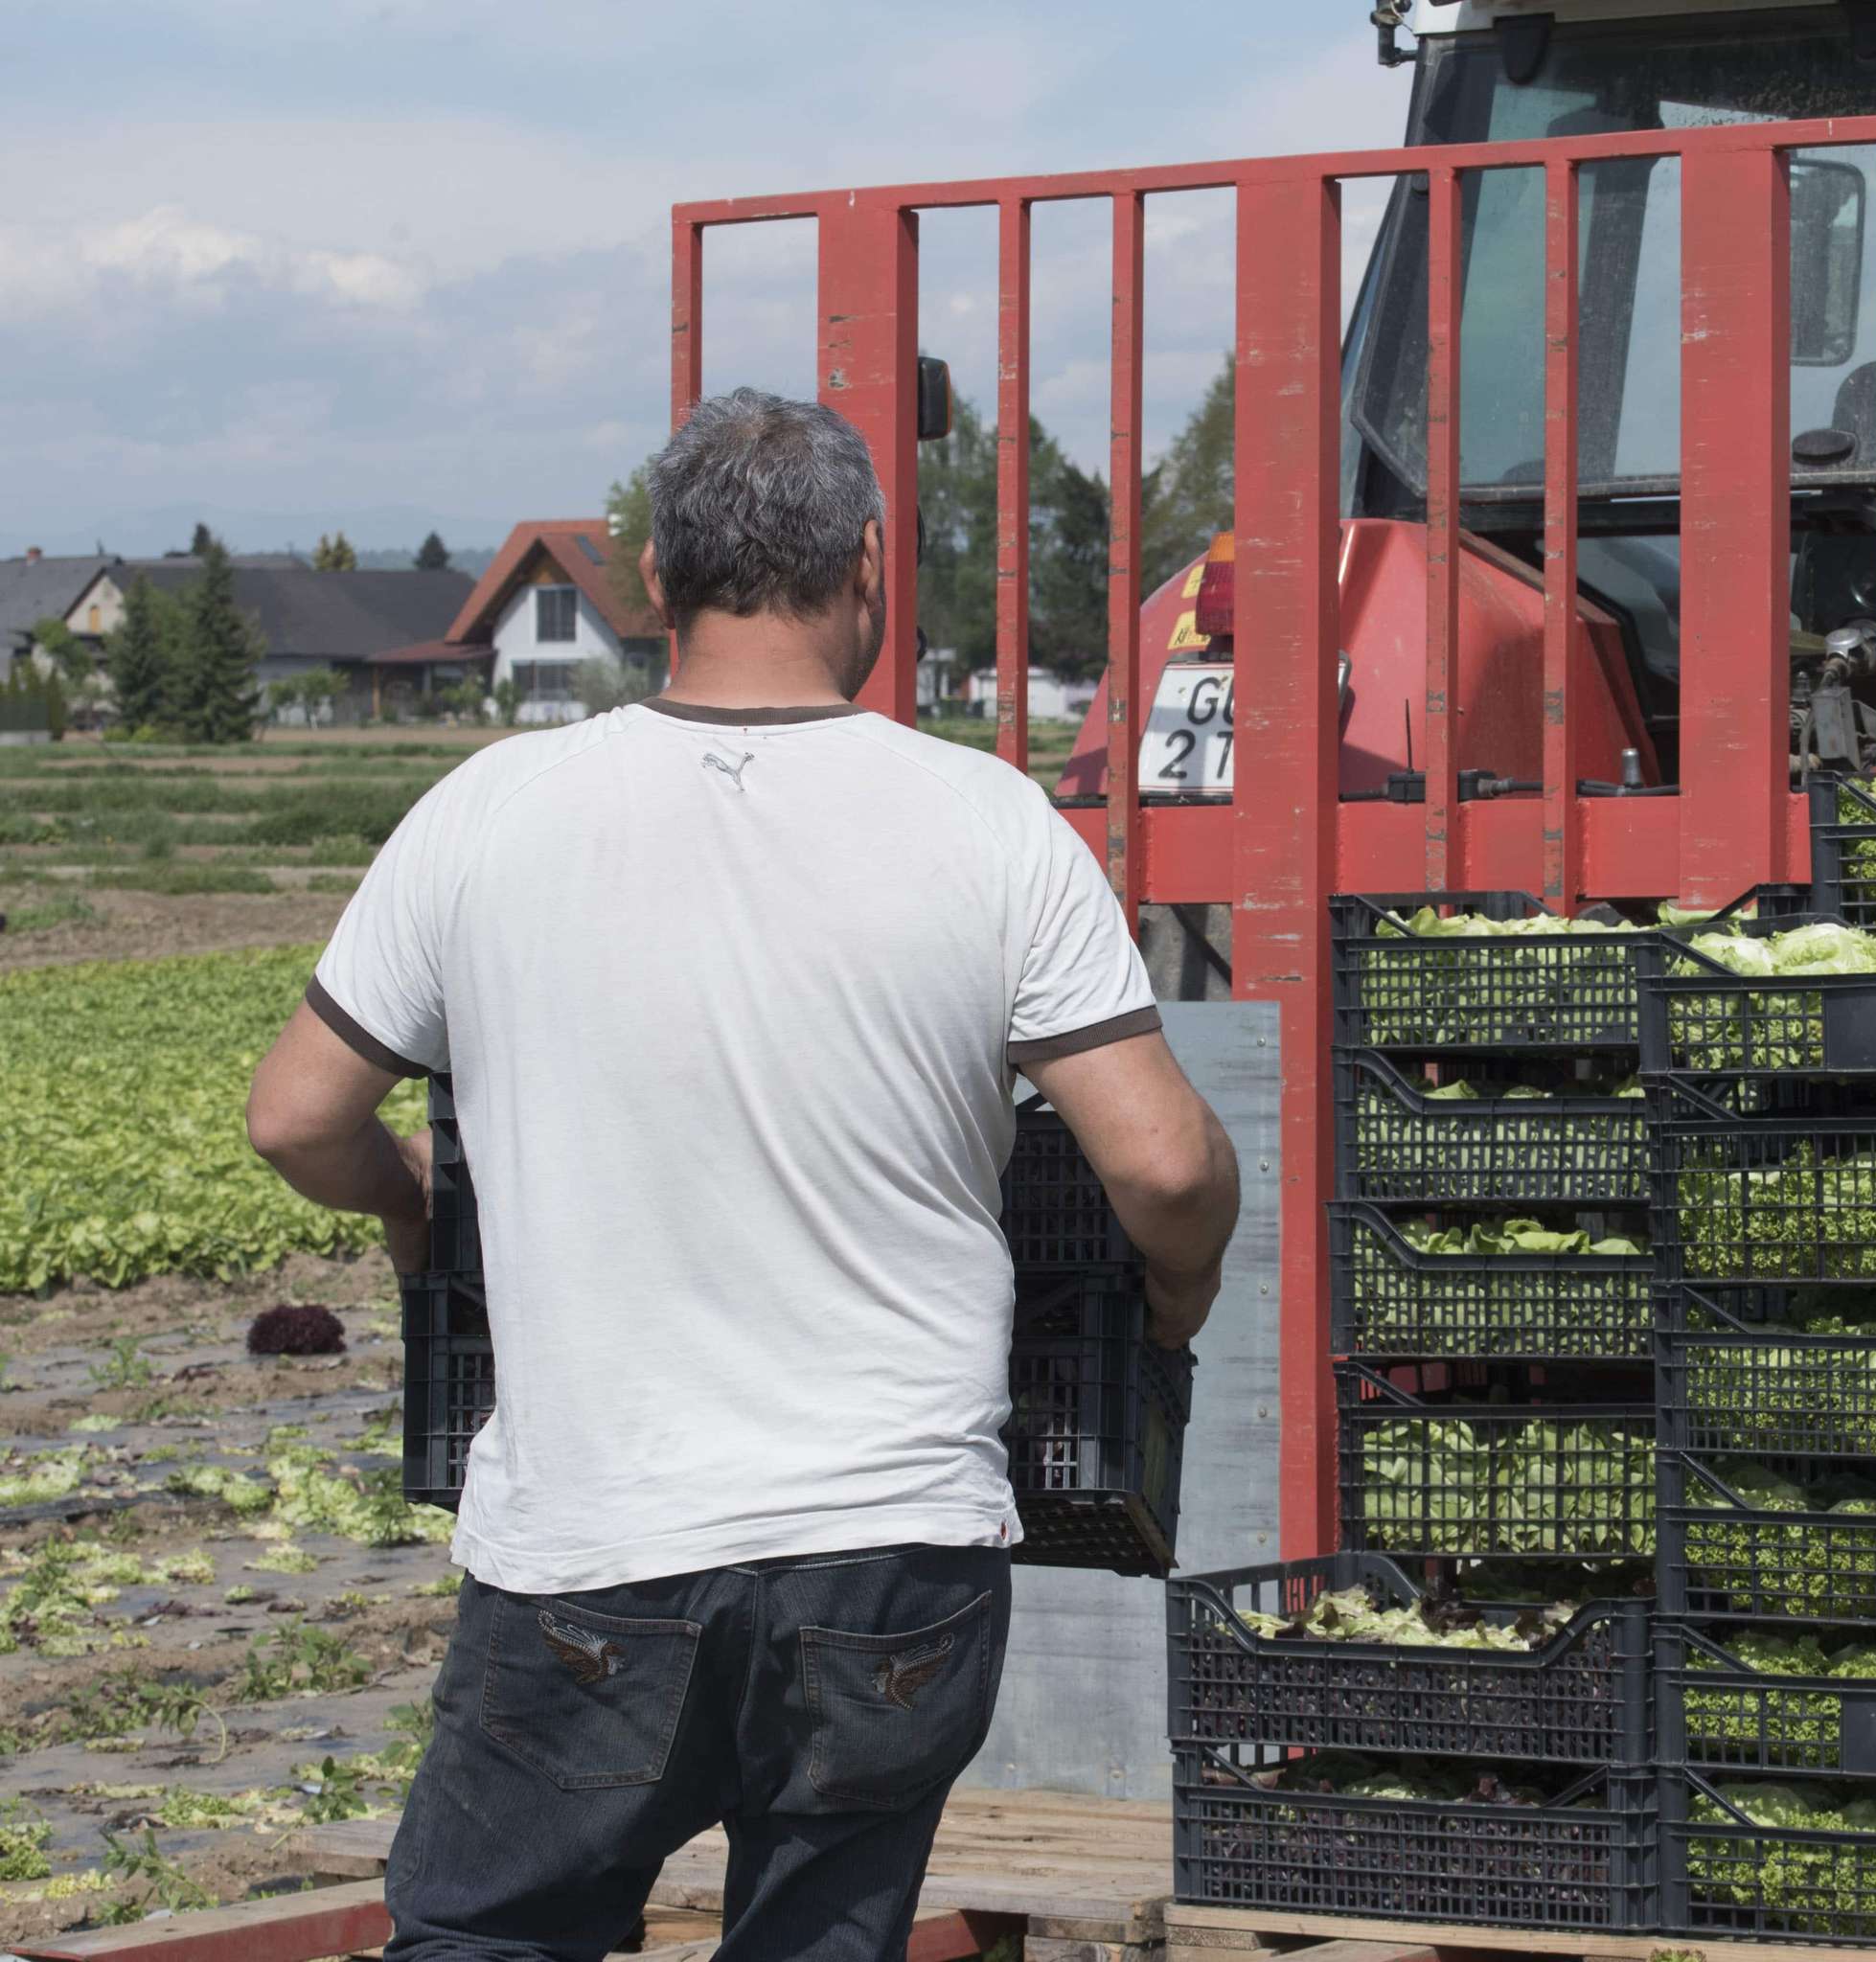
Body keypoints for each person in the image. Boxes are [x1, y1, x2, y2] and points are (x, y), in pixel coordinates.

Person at [243, 388, 1240, 1962]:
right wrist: (1173, 1303)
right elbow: (1167, 1163)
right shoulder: (989, 822)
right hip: (895, 1555)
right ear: (868, 568)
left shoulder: (490, 811)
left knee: (491, 1937)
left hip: (592, 1549)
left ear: (651, 575)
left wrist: (413, 1210)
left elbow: (299, 1116)